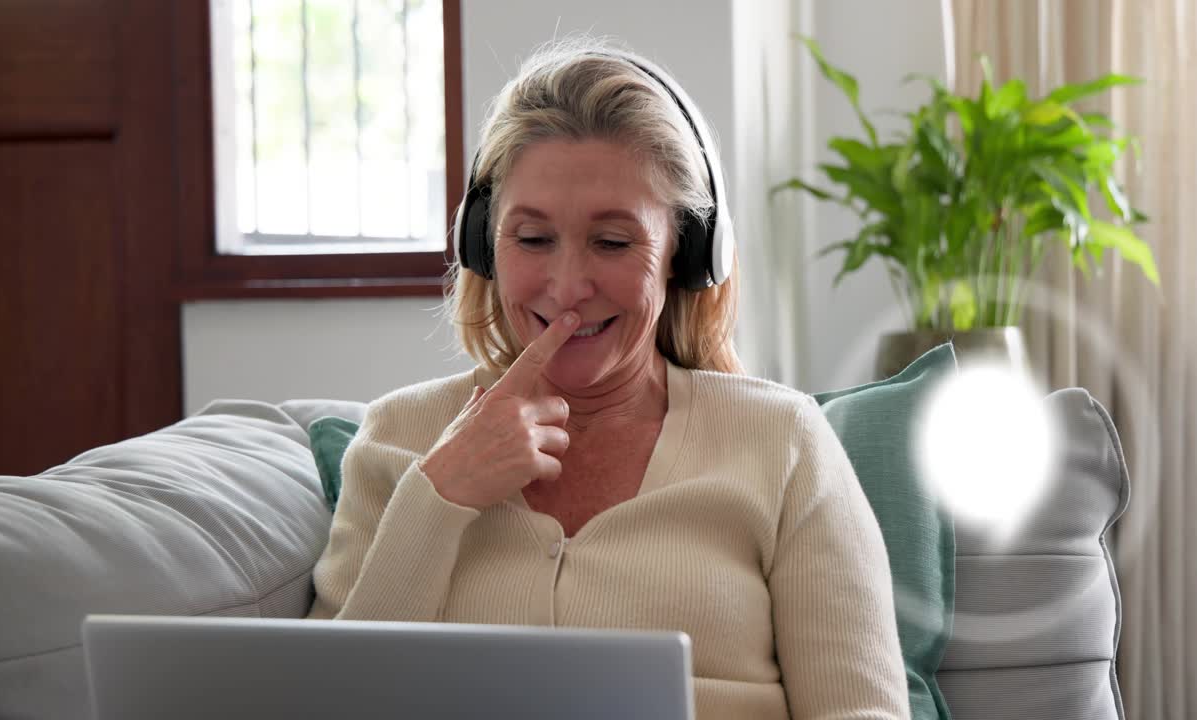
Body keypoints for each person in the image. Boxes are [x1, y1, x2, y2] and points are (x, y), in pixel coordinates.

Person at [307, 37, 909, 719]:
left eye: (613, 242)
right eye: (532, 240)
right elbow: (331, 703)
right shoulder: (398, 437)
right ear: (483, 245)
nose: (568, 289)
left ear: (686, 253)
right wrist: (438, 495)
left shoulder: (784, 443)